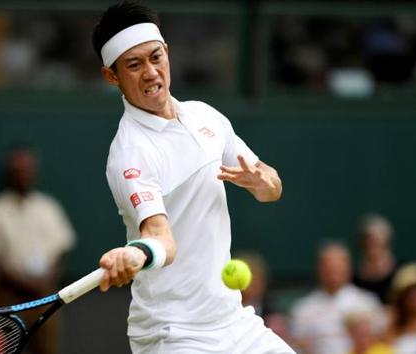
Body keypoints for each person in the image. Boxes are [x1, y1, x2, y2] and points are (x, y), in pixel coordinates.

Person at [91, 2, 292, 353]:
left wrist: (263, 183)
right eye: (134, 65)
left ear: (167, 53)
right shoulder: (129, 155)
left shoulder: (207, 117)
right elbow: (160, 239)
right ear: (112, 76)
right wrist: (138, 255)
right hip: (173, 334)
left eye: (155, 57)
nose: (151, 73)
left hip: (235, 322)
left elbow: (271, 186)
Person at [0, 145, 76, 354]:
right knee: (9, 350)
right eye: (17, 171)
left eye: (27, 170)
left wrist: (47, 280)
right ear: (9, 174)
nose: (23, 175)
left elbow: (63, 250)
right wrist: (21, 281)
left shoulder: (48, 207)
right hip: (10, 297)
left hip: (46, 296)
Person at [289, 242, 384, 354]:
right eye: (328, 269)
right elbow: (297, 346)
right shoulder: (303, 309)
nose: (333, 275)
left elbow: (379, 341)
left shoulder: (368, 302)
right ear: (319, 269)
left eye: (338, 269)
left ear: (348, 269)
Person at [353, 213, 400, 304]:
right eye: (368, 241)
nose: (371, 245)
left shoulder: (403, 271)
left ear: (387, 242)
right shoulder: (353, 277)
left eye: (376, 242)